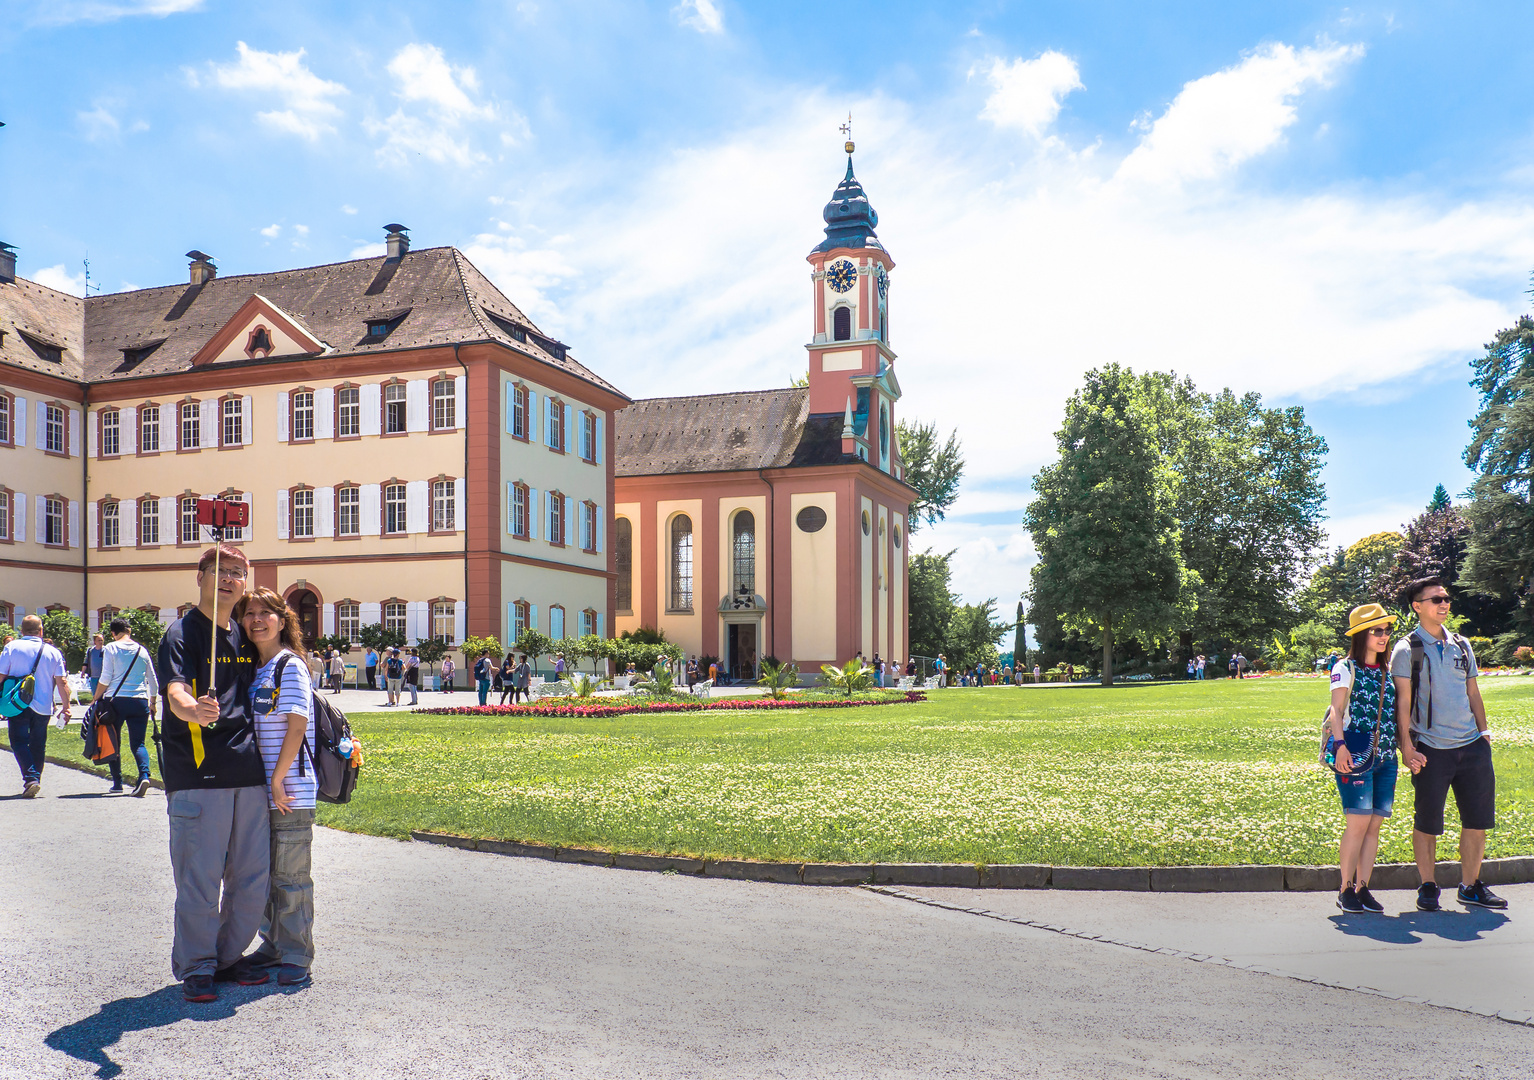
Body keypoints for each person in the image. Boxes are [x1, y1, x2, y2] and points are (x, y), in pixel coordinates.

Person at [156, 544, 271, 1002]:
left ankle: (227, 958)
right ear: (199, 577)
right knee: (200, 880)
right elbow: (175, 693)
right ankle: (198, 966)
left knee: (250, 878)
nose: (228, 579)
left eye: (237, 573)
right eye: (218, 571)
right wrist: (194, 711)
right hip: (199, 774)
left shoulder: (244, 636)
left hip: (249, 773)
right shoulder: (181, 633)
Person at [1391, 577, 1507, 911]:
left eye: (1446, 599)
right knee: (1427, 822)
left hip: (1472, 746)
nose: (1444, 604)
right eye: (1436, 599)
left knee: (1477, 821)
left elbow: (1473, 692)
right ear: (1417, 606)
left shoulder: (1462, 644)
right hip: (1430, 748)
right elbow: (1403, 704)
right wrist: (1407, 748)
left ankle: (1470, 886)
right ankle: (1428, 886)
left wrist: (1484, 734)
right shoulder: (1407, 649)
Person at [235, 586, 319, 988]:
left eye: (264, 613)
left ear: (282, 621)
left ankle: (298, 953)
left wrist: (277, 778)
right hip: (263, 791)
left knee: (291, 875)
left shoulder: (290, 665)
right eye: (249, 614)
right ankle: (273, 944)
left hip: (290, 790)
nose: (256, 620)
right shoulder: (258, 669)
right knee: (266, 875)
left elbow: (297, 724)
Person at [1325, 604, 1401, 914]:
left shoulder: (1387, 671)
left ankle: (1364, 886)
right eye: (1377, 631)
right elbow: (1336, 711)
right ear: (1361, 635)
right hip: (1354, 754)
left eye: (1386, 631)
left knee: (1373, 827)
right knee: (1357, 824)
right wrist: (1340, 745)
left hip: (1385, 757)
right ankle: (1345, 888)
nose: (1384, 636)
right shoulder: (1345, 667)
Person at [1, 615, 71, 798]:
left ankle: (31, 778)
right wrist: (66, 706)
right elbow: (62, 682)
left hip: (18, 704)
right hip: (43, 704)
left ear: (21, 631)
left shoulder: (11, 647)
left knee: (18, 742)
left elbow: (1, 676)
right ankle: (35, 779)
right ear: (41, 631)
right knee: (39, 745)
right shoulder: (52, 651)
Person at [92, 616, 159, 796]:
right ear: (129, 631)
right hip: (140, 700)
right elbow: (153, 681)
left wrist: (95, 698)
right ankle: (144, 774)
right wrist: (153, 702)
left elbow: (105, 678)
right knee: (138, 743)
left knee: (114, 741)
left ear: (113, 633)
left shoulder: (111, 648)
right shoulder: (142, 651)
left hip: (116, 700)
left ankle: (117, 783)